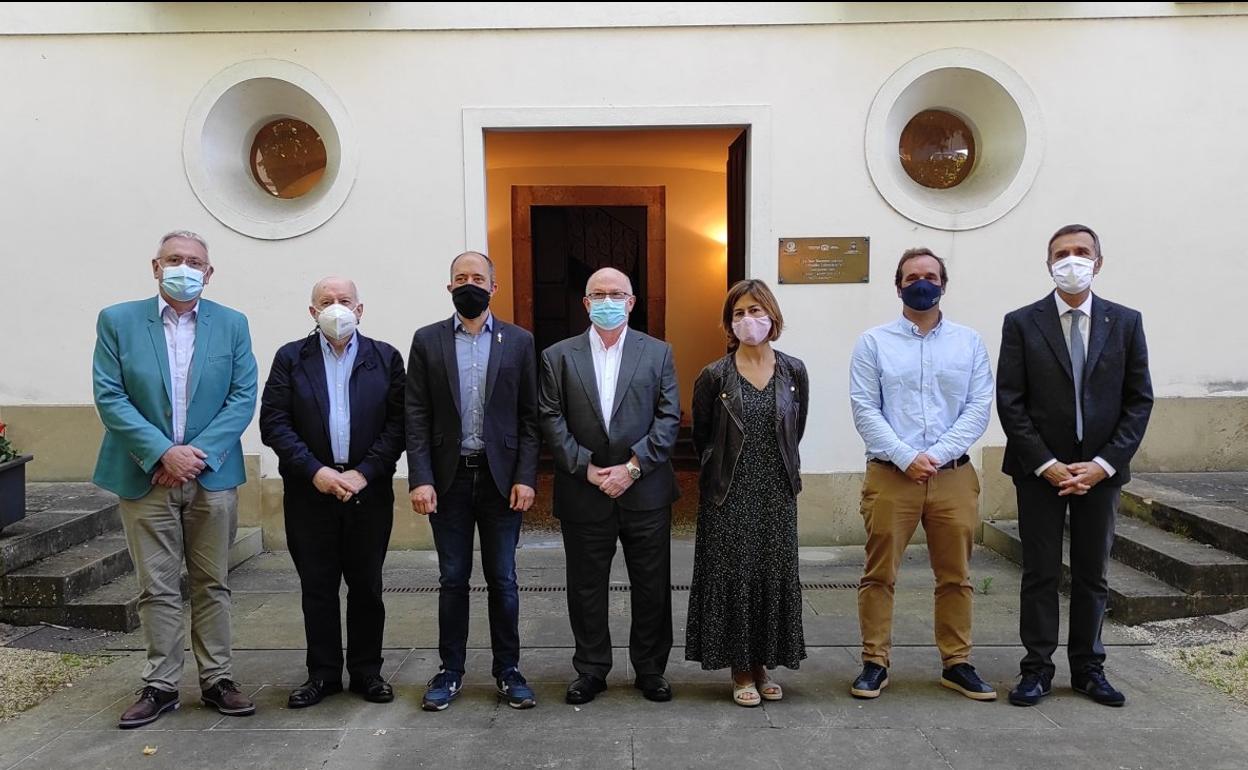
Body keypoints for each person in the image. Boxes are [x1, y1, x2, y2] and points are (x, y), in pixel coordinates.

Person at [92, 230, 258, 728]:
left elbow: (242, 395)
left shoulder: (231, 324)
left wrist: (196, 455)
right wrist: (163, 451)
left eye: (194, 262)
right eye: (174, 260)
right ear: (155, 266)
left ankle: (218, 679)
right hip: (145, 475)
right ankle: (161, 684)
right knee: (157, 585)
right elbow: (110, 396)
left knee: (213, 582)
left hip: (212, 477)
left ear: (209, 273)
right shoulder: (118, 321)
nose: (184, 268)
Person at [997, 224, 1152, 708]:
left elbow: (1138, 401)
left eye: (1081, 252)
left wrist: (1104, 465)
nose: (1071, 260)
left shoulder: (1125, 322)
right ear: (1049, 264)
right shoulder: (1022, 322)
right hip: (1041, 471)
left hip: (1099, 474)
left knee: (1093, 573)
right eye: (1061, 253)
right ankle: (1037, 670)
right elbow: (1010, 401)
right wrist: (1045, 463)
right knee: (1040, 572)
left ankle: (1089, 668)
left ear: (1098, 262)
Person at [848, 247, 996, 701]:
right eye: (912, 276)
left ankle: (957, 662)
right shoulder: (873, 342)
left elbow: (978, 406)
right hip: (892, 475)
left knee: (956, 574)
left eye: (930, 275)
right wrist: (905, 455)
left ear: (943, 284)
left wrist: (936, 454)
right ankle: (875, 662)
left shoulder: (968, 342)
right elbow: (864, 407)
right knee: (879, 574)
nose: (922, 282)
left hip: (952, 476)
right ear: (898, 286)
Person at [259, 277, 405, 708]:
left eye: (344, 301)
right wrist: (315, 471)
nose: (336, 308)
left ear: (360, 310)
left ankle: (367, 672)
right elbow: (275, 423)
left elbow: (399, 423)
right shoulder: (291, 358)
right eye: (327, 301)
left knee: (367, 587)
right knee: (317, 587)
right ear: (312, 311)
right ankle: (321, 674)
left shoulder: (385, 358)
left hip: (368, 491)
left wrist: (366, 471)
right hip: (310, 492)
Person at [539, 267, 681, 705]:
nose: (607, 300)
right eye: (598, 294)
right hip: (584, 489)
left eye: (616, 293)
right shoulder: (557, 356)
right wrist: (585, 468)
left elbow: (669, 417)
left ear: (631, 301)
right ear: (585, 303)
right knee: (585, 586)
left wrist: (632, 468)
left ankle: (651, 669)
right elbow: (549, 416)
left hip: (645, 490)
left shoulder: (658, 353)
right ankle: (591, 669)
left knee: (652, 584)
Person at [406, 251, 541, 711]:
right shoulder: (427, 341)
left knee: (503, 577)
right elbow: (416, 415)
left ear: (493, 286)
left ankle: (509, 670)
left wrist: (526, 476)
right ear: (449, 287)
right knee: (452, 578)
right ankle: (451, 670)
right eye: (461, 277)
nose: (470, 284)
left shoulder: (520, 341)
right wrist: (419, 479)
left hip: (502, 481)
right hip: (448, 481)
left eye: (478, 277)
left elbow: (530, 417)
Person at [686, 279, 809, 707]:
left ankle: (763, 665)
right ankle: (740, 670)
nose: (747, 320)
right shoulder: (713, 375)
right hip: (728, 494)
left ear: (772, 317)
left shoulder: (794, 371)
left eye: (755, 311)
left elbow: (797, 428)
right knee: (734, 578)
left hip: (776, 492)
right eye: (738, 313)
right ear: (729, 322)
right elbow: (701, 436)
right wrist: (716, 475)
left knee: (770, 576)